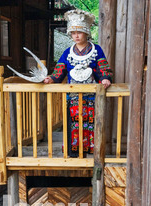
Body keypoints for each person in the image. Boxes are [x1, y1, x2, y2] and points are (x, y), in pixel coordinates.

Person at [44, 9, 113, 157]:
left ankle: (91, 153)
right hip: (73, 97)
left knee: (91, 124)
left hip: (91, 97)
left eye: (79, 32)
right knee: (73, 124)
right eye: (73, 33)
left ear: (86, 33)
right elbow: (59, 70)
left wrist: (105, 78)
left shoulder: (96, 50)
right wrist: (52, 78)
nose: (76, 36)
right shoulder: (67, 52)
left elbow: (103, 69)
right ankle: (73, 153)